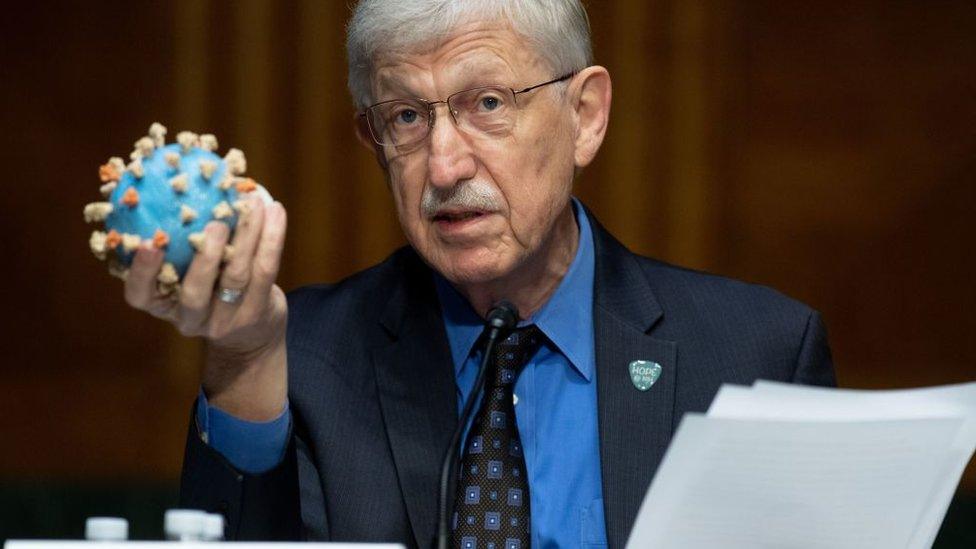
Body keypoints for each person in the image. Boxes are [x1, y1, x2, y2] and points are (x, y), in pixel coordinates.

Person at [123, 1, 835, 547]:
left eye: (487, 104)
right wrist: (245, 358)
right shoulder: (302, 360)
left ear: (584, 115)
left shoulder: (757, 354)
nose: (443, 166)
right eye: (405, 116)